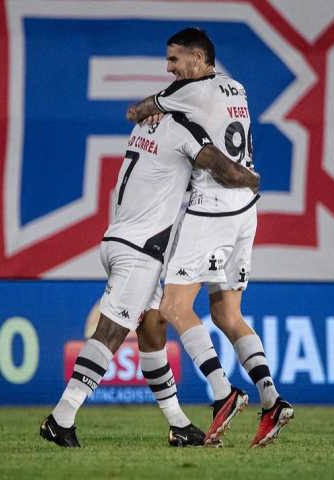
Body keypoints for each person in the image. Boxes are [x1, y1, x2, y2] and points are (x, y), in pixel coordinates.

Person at [40, 112, 260, 448]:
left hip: (123, 239)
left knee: (154, 325)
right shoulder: (183, 129)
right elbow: (218, 167)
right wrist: (249, 178)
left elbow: (167, 175)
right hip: (139, 249)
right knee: (111, 331)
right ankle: (61, 418)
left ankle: (179, 424)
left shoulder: (145, 127)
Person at [127, 27, 293, 448]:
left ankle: (223, 392)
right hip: (246, 211)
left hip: (212, 207)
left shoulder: (191, 91)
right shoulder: (235, 86)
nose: (169, 68)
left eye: (175, 60)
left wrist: (154, 108)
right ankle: (271, 399)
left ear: (198, 60)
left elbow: (137, 110)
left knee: (174, 305)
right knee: (227, 315)